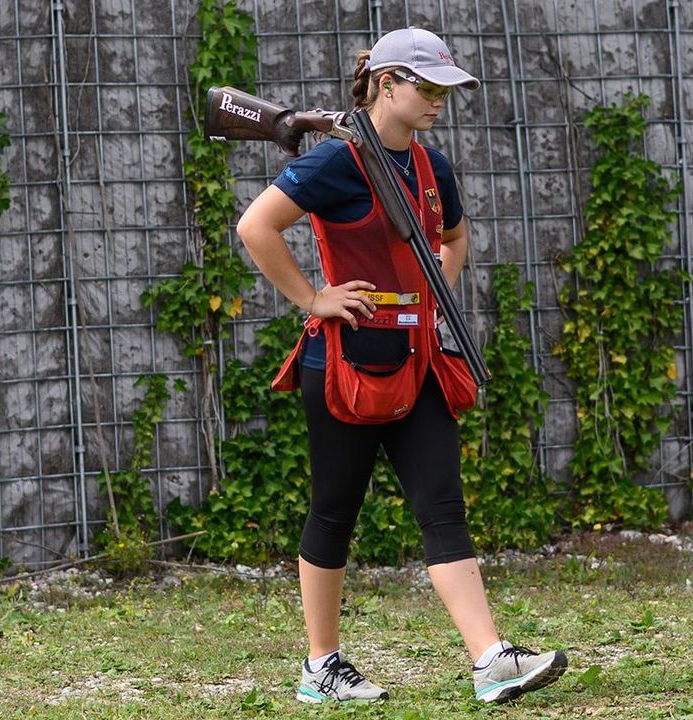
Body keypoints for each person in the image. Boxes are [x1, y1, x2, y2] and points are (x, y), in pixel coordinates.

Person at [235, 27, 566, 704]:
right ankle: (321, 667)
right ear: (386, 84)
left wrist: (430, 294)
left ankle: (491, 660)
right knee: (335, 511)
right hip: (342, 361)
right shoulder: (335, 162)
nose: (441, 98)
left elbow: (456, 234)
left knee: (443, 505)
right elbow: (255, 227)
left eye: (447, 87)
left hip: (419, 359)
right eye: (428, 85)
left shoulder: (432, 166)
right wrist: (314, 298)